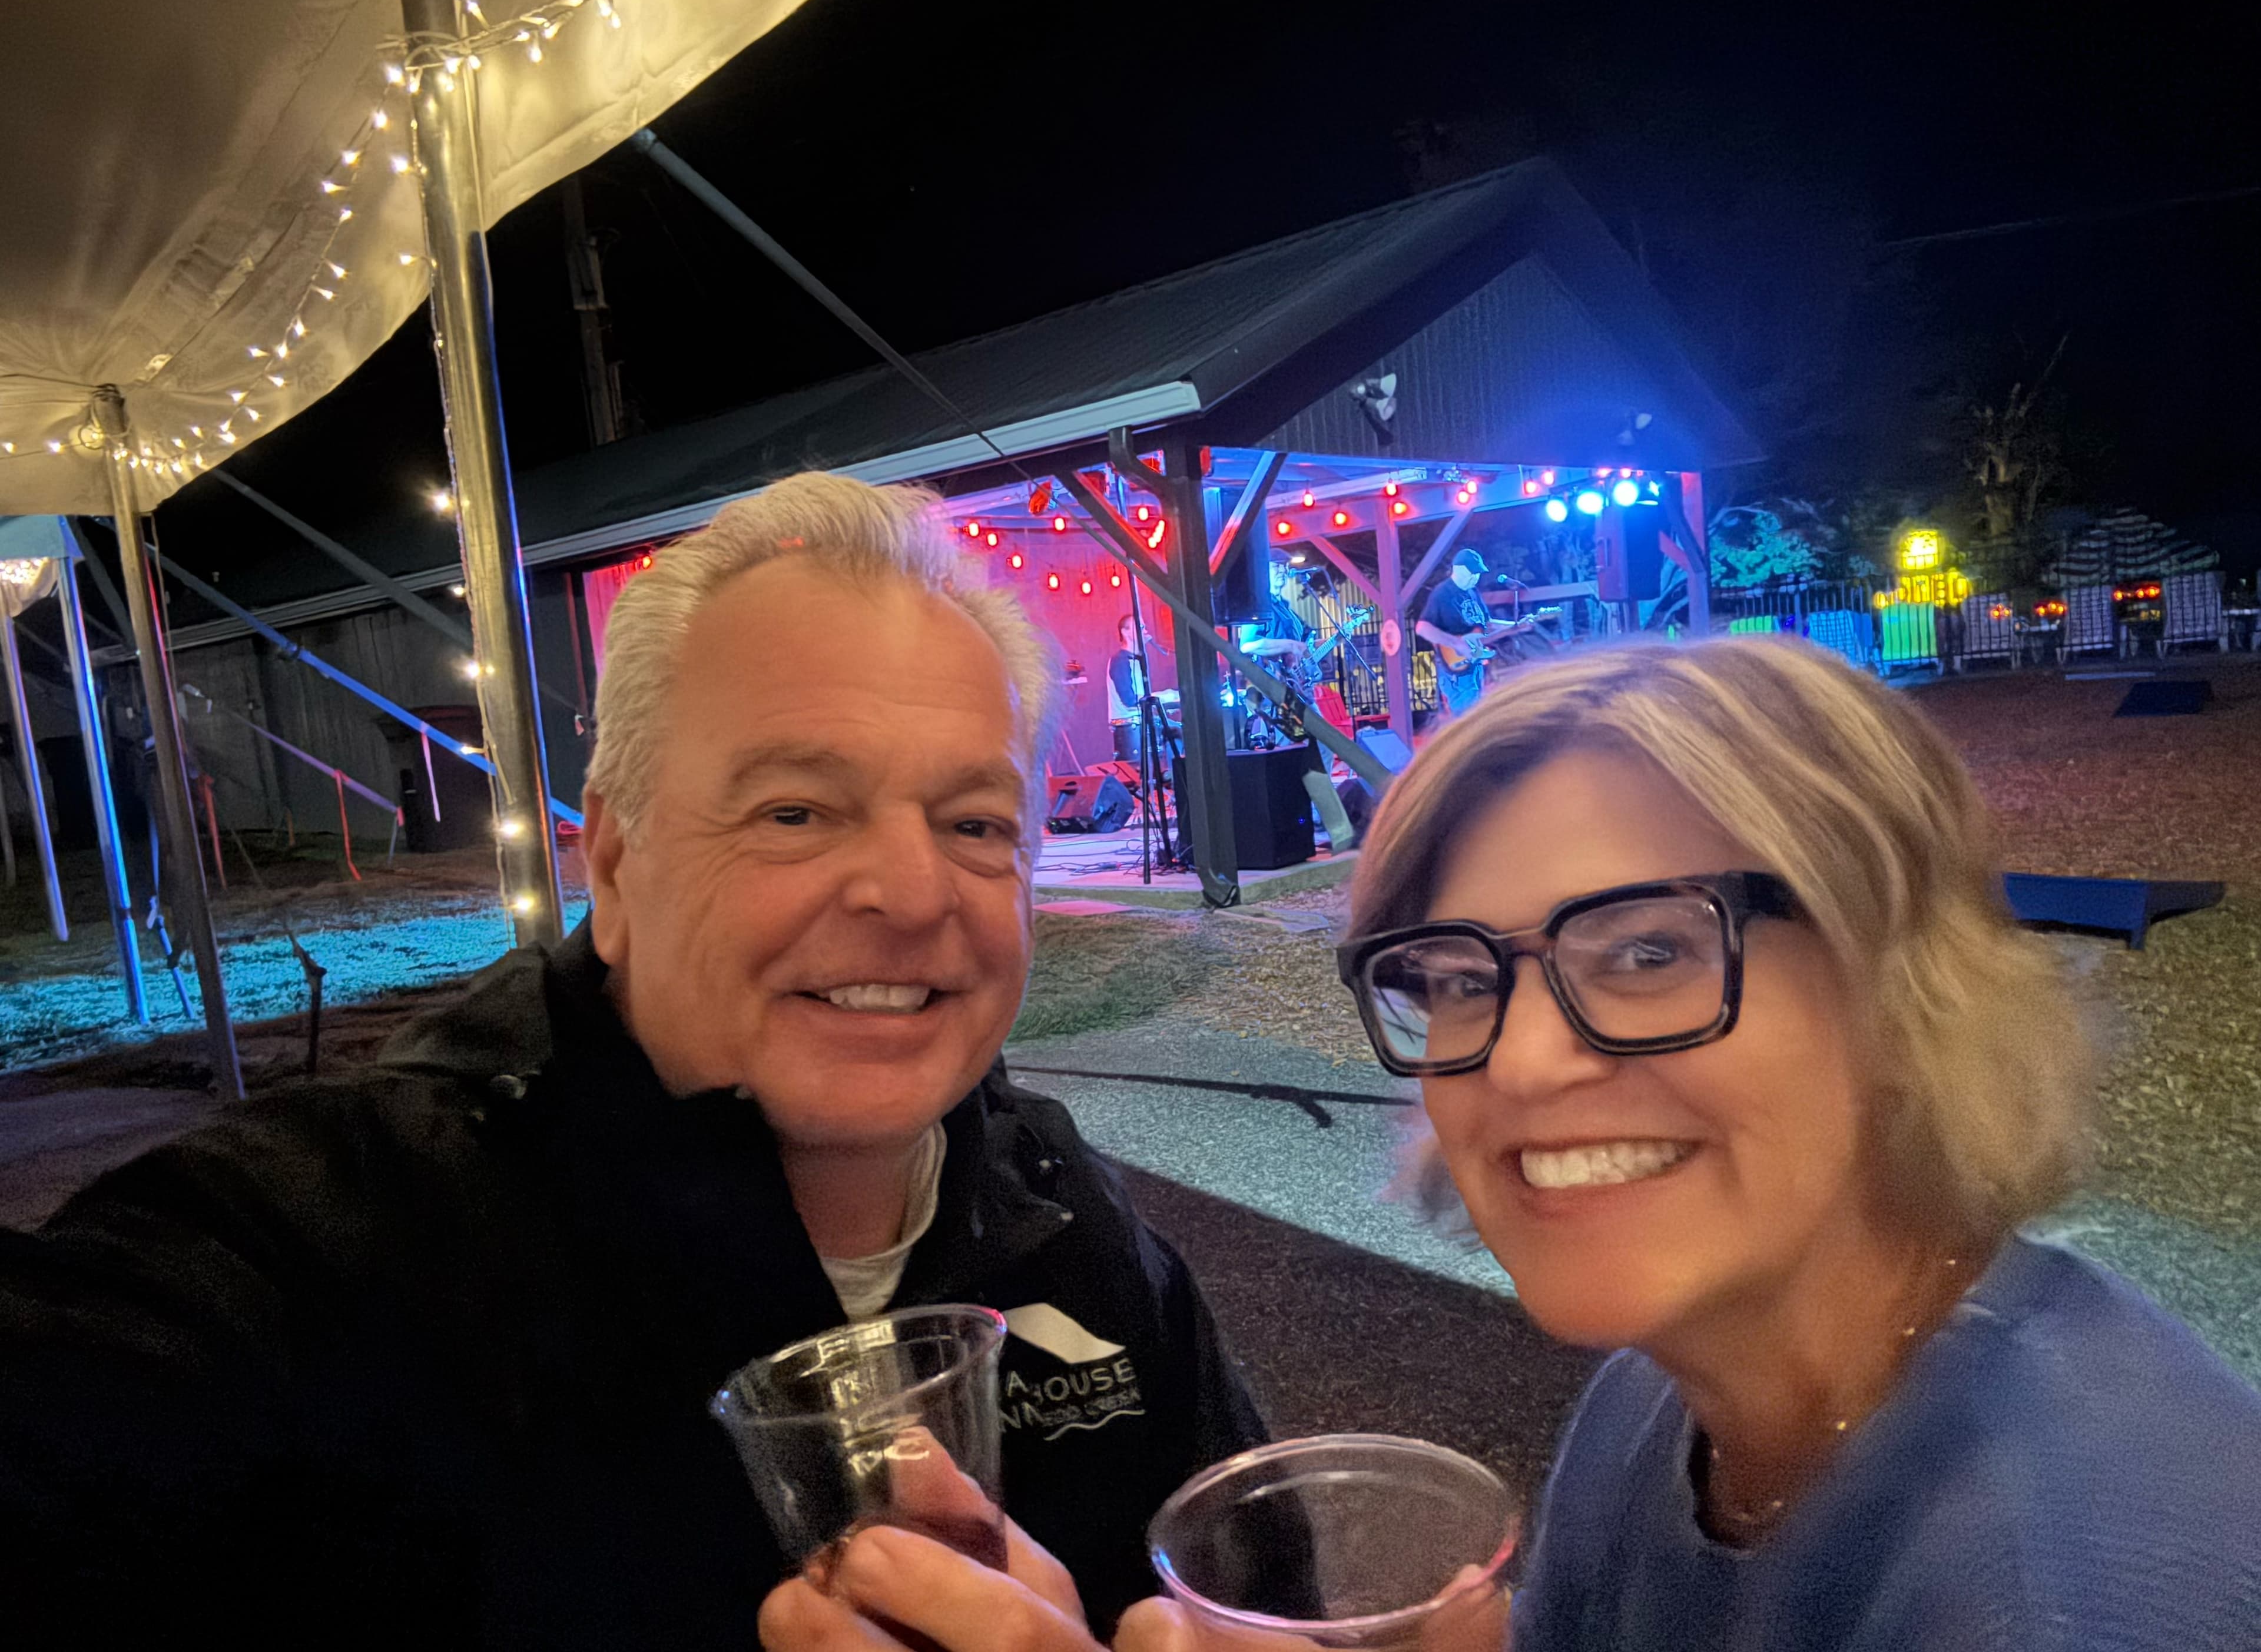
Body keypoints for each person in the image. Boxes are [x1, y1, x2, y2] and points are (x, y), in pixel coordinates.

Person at [758, 635, 2261, 1652]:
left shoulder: (2077, 1588)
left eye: (1651, 952)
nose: (1525, 1058)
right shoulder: (1655, 1415)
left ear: (1893, 984)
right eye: (1460, 977)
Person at [0, 473, 1267, 1647]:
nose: (910, 888)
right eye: (795, 811)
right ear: (613, 862)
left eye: (975, 822)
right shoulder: (340, 1237)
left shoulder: (1068, 1213)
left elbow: (1270, 1591)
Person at [1413, 547, 1537, 720]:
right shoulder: (1443, 593)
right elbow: (1423, 628)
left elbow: (1487, 624)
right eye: (1472, 573)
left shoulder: (1472, 592)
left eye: (1478, 574)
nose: (1475, 578)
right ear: (1459, 570)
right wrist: (1456, 644)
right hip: (1455, 668)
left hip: (1473, 666)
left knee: (1475, 716)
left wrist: (1516, 625)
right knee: (1468, 721)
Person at [1107, 612, 1149, 764]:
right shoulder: (1120, 662)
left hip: (1139, 726)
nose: (1145, 631)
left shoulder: (1136, 660)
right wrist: (1164, 699)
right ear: (1125, 632)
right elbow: (1130, 701)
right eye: (1140, 627)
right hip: (1129, 730)